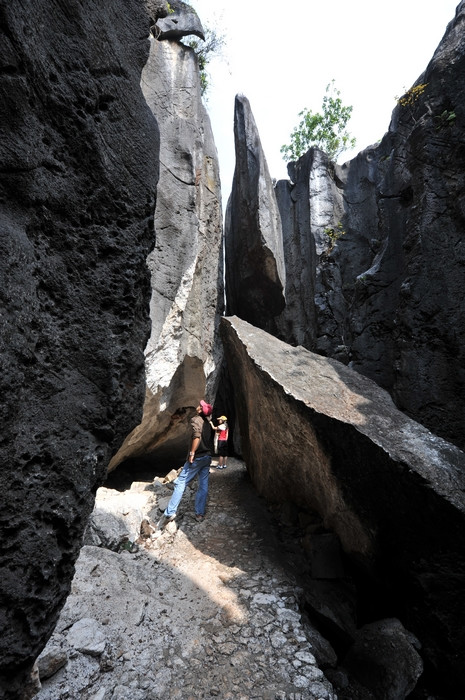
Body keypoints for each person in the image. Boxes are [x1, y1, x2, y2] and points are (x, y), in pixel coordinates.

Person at [156, 400, 214, 530]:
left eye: (200, 406)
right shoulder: (208, 424)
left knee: (180, 482)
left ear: (200, 410)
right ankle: (199, 514)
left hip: (197, 457)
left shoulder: (196, 420)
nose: (198, 406)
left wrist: (192, 453)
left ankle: (170, 512)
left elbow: (196, 436)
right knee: (203, 485)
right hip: (207, 457)